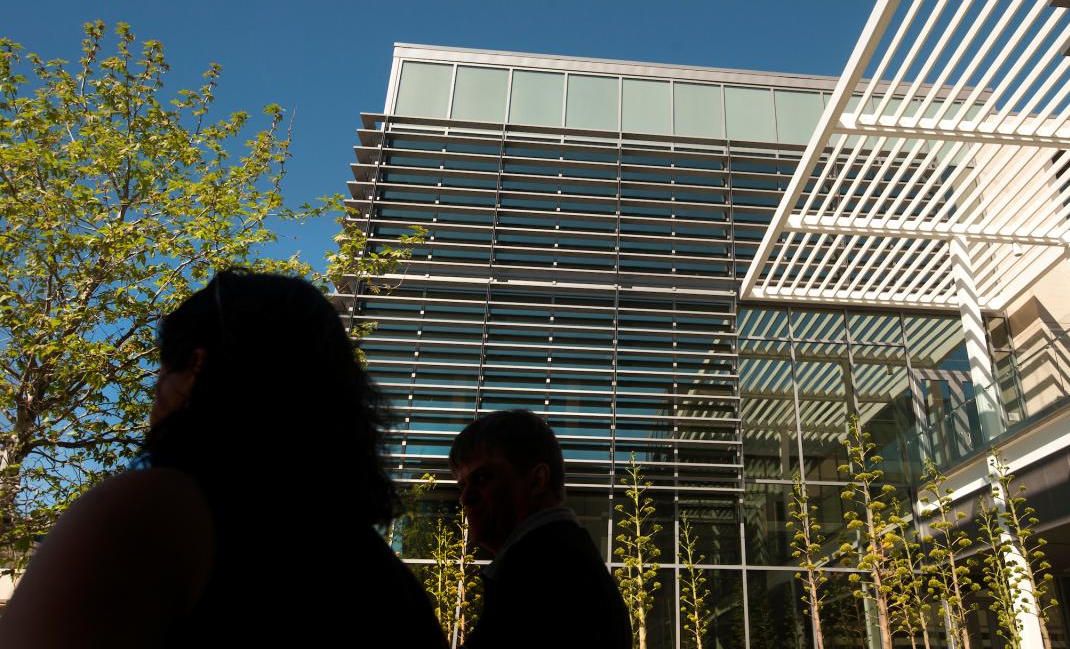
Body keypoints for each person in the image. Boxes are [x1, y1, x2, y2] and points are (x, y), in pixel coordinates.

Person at [0, 270, 448, 648]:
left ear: (195, 367)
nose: (153, 397)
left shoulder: (153, 510)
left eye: (162, 371)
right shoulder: (383, 578)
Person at [449, 409, 630, 649]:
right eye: (462, 485)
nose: (465, 498)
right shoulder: (561, 557)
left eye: (482, 478)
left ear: (538, 480)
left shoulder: (542, 569)